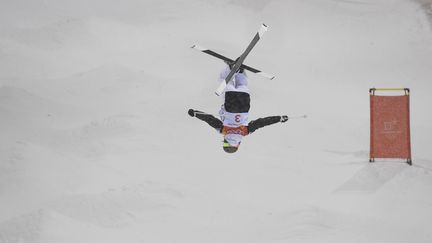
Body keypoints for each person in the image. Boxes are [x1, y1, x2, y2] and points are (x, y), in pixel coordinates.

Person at [188, 64, 289, 153]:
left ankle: (240, 72)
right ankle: (230, 68)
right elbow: (210, 119)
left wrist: (279, 118)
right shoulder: (224, 130)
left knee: (242, 85)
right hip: (230, 104)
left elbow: (262, 122)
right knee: (225, 81)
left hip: (244, 103)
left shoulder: (245, 131)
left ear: (238, 144)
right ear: (227, 142)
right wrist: (195, 113)